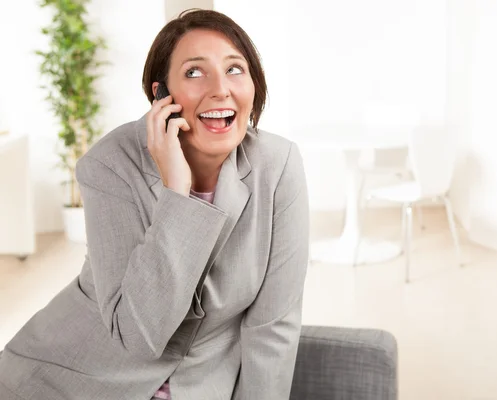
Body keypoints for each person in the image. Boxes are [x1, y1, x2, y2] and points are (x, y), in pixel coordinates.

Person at [0, 8, 309, 400]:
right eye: (195, 72)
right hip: (73, 381)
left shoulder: (278, 166)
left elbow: (273, 328)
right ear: (159, 94)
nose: (220, 89)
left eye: (235, 69)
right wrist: (177, 193)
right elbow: (139, 334)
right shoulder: (109, 164)